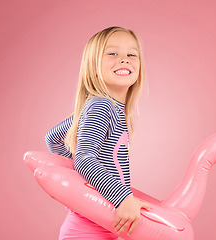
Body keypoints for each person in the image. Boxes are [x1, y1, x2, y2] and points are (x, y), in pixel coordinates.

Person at [45, 26, 150, 240]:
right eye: (113, 53)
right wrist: (122, 198)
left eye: (132, 54)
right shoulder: (102, 107)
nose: (124, 60)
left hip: (99, 227)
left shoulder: (104, 109)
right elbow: (84, 159)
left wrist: (76, 189)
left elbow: (53, 137)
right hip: (87, 232)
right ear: (93, 68)